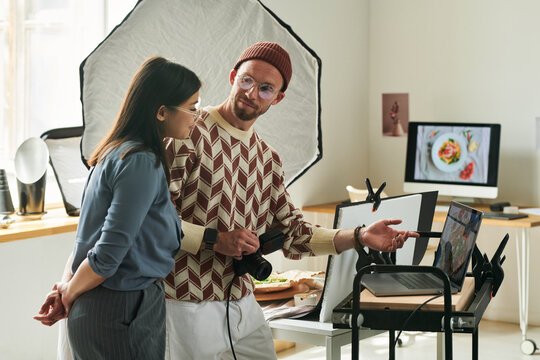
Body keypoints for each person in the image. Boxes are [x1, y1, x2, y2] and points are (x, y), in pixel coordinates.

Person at [163, 41, 419, 359]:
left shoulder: (267, 158)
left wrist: (360, 236)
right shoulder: (187, 131)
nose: (252, 93)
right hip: (185, 301)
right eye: (246, 80)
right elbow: (154, 218)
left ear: (278, 97)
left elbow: (294, 233)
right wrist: (215, 240)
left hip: (242, 300)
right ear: (233, 77)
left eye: (266, 88)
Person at [34, 56, 202, 359]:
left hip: (112, 307)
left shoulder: (117, 152)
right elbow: (109, 251)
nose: (195, 117)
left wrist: (68, 288)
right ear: (162, 111)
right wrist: (69, 293)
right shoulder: (140, 161)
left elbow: (98, 241)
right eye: (192, 107)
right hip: (121, 309)